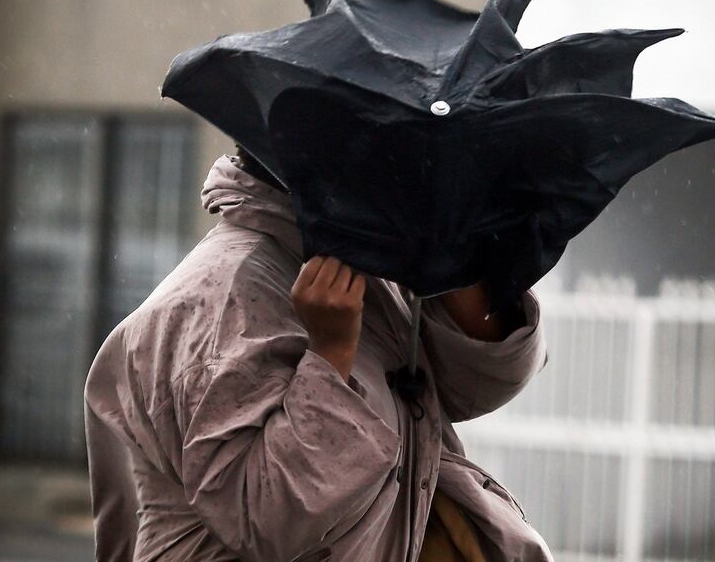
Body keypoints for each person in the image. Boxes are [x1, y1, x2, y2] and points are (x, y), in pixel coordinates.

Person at [84, 149, 552, 561]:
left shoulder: (355, 265)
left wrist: (454, 259)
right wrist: (330, 356)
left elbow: (475, 386)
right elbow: (272, 520)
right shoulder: (219, 300)